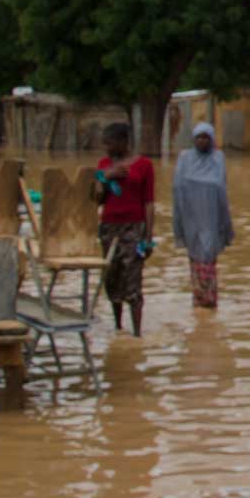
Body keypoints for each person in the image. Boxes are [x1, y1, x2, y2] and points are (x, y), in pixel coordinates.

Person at [94, 121, 157, 336]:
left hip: (134, 229)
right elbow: (96, 198)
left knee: (133, 278)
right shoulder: (104, 165)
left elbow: (149, 202)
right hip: (108, 228)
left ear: (123, 142)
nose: (107, 148)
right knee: (112, 277)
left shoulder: (144, 165)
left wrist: (148, 237)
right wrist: (106, 176)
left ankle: (137, 333)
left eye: (110, 143)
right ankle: (118, 327)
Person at [173, 122, 234, 309]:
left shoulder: (218, 159)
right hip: (190, 219)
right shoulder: (185, 159)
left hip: (211, 220)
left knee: (207, 260)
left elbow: (222, 191)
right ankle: (199, 304)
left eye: (206, 137)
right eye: (198, 137)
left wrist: (225, 225)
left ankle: (208, 303)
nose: (202, 141)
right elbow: (177, 190)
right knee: (195, 261)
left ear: (212, 139)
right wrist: (179, 223)